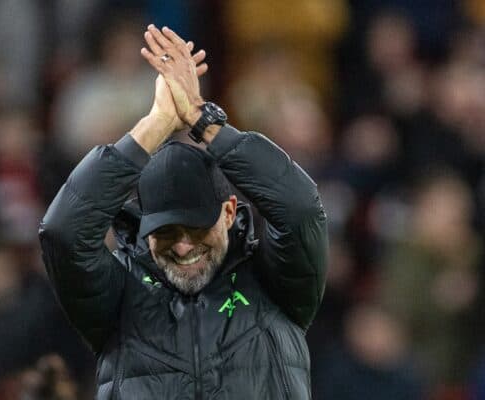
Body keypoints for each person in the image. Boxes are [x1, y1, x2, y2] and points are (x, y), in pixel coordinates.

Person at [39, 24, 328, 399]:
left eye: (194, 228)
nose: (181, 247)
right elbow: (63, 232)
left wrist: (202, 120)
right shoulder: (117, 295)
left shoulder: (275, 282)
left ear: (228, 213)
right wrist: (155, 124)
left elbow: (301, 209)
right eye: (167, 231)